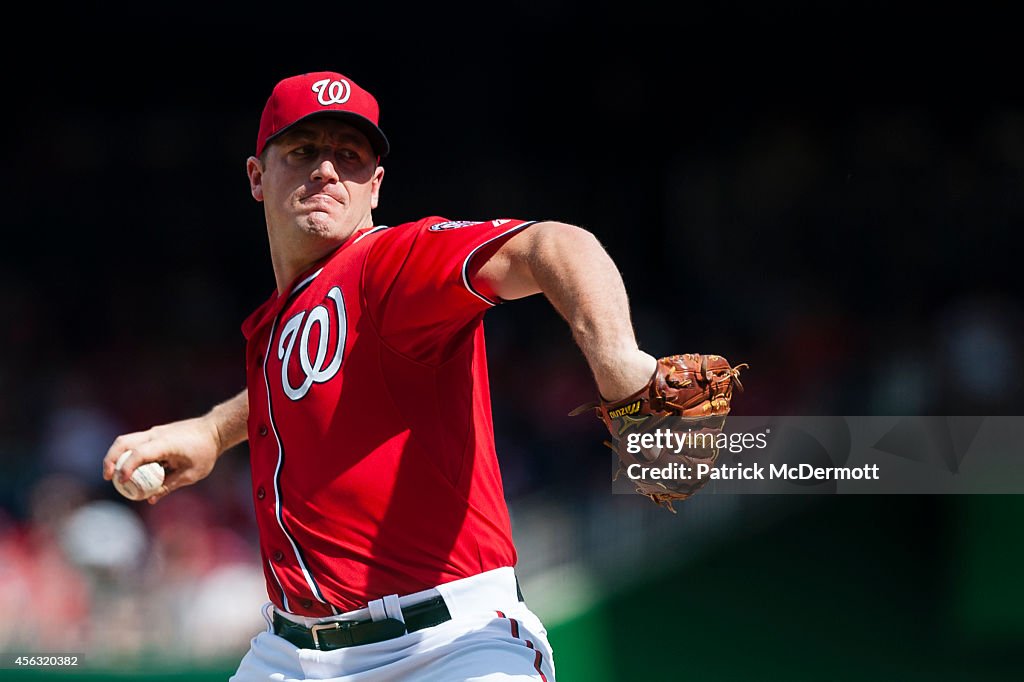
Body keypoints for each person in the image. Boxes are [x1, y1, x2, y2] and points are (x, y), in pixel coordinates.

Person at [103, 70, 659, 681]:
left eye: (348, 155)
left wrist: (617, 358)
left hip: (448, 646)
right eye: (303, 150)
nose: (326, 170)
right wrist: (213, 432)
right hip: (292, 653)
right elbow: (309, 388)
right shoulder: (280, 322)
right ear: (257, 178)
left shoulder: (392, 266)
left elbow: (553, 244)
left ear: (376, 186)